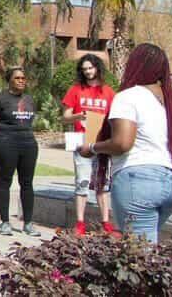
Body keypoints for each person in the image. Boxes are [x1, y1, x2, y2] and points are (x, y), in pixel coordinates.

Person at [80, 44, 172, 243]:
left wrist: (92, 148)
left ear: (135, 66)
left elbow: (123, 143)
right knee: (146, 249)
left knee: (139, 256)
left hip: (136, 181)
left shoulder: (128, 97)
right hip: (170, 182)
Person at [61, 53, 118, 236]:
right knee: (82, 183)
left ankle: (106, 222)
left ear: (97, 68)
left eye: (90, 68)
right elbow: (65, 117)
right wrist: (79, 116)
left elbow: (115, 117)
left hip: (101, 143)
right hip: (81, 143)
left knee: (103, 185)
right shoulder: (75, 90)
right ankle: (79, 222)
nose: (87, 72)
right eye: (84, 69)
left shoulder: (108, 92)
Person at [0, 67, 40, 237]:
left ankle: (28, 223)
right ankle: (4, 221)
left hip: (28, 144)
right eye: (17, 78)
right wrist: (1, 141)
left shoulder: (29, 99)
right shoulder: (0, 98)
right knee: (5, 181)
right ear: (9, 80)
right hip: (6, 143)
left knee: (27, 183)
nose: (21, 81)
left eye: (23, 78)